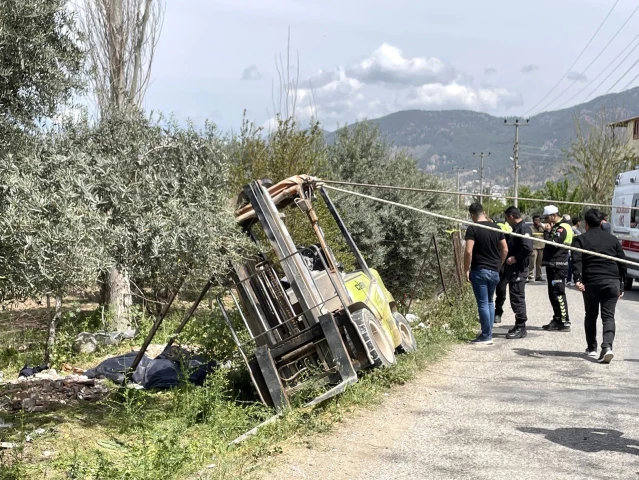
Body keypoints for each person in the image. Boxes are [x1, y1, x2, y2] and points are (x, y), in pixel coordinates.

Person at [572, 209, 627, 364]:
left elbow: (577, 261)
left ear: (586, 223)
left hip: (591, 282)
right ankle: (607, 346)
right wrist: (621, 285)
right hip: (612, 281)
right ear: (602, 222)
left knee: (590, 315)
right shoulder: (613, 239)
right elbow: (622, 262)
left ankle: (592, 348)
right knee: (608, 316)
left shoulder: (580, 239)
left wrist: (577, 279)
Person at [464, 203, 508, 345]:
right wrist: (498, 264)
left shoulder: (473, 228)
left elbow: (468, 251)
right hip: (494, 271)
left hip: (480, 271)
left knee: (483, 303)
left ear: (472, 215)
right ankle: (488, 333)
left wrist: (466, 269)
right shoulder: (496, 227)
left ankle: (486, 336)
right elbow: (505, 249)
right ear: (483, 211)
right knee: (489, 302)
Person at [495, 206, 533, 339]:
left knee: (517, 298)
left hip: (519, 269)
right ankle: (519, 325)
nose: (506, 221)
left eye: (506, 218)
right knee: (514, 297)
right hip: (514, 270)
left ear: (511, 216)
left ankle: (521, 327)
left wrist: (515, 258)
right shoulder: (517, 229)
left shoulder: (523, 229)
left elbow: (528, 247)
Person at [541, 205, 573, 331]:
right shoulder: (555, 226)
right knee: (552, 294)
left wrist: (547, 232)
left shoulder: (562, 227)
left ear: (554, 215)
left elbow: (553, 243)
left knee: (559, 294)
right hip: (552, 264)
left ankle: (565, 322)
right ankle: (557, 319)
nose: (545, 221)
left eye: (547, 218)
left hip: (559, 265)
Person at [494, 219, 513, 324]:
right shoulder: (493, 237)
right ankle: (490, 312)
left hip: (504, 268)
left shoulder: (510, 240)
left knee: (501, 291)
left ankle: (498, 311)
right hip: (492, 266)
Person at [528, 215, 545, 282]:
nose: (537, 221)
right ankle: (530, 275)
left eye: (538, 220)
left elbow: (546, 232)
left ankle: (538, 276)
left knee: (539, 263)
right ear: (533, 221)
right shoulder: (530, 228)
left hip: (541, 246)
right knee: (532, 262)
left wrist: (541, 226)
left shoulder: (542, 228)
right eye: (536, 220)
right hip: (534, 247)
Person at [567, 217, 582, 286]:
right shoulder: (573, 229)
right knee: (571, 265)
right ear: (578, 222)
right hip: (572, 249)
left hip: (573, 249)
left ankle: (570, 279)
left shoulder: (574, 229)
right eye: (580, 222)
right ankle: (569, 280)